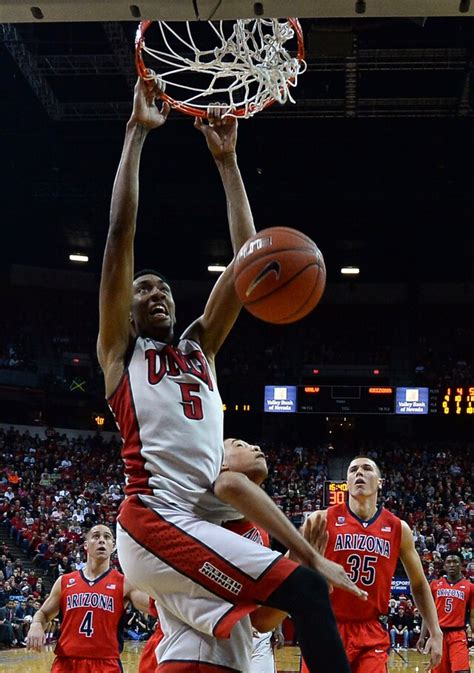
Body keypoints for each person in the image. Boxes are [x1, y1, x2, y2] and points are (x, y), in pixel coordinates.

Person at [98, 76, 366, 673]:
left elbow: (253, 262)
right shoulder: (122, 354)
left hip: (192, 518)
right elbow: (120, 235)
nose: (156, 292)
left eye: (164, 286)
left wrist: (229, 162)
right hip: (153, 517)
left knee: (234, 642)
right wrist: (136, 135)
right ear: (129, 309)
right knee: (303, 586)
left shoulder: (200, 350)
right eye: (143, 289)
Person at [138, 437, 286, 673]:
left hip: (234, 649)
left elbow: (260, 617)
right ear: (220, 464)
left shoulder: (261, 531)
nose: (256, 448)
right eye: (240, 445)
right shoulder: (194, 517)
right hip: (179, 651)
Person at [301, 456, 443, 673]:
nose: (359, 473)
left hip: (371, 631)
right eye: (353, 470)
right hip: (326, 625)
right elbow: (288, 567)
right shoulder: (321, 520)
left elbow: (419, 583)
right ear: (347, 482)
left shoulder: (398, 528)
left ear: (379, 482)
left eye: (367, 469)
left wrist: (435, 631)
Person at [26, 524, 150, 672]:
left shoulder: (125, 583)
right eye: (96, 536)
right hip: (67, 664)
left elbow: (156, 606)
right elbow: (44, 614)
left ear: (113, 546)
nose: (102, 540)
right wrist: (36, 625)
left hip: (106, 664)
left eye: (107, 537)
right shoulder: (64, 581)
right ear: (86, 545)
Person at [418, 551, 473, 673]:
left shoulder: (469, 587)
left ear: (462, 565)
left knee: (462, 671)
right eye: (448, 562)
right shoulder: (434, 585)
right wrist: (422, 637)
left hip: (458, 634)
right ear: (444, 566)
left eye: (455, 562)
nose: (452, 565)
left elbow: (473, 616)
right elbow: (427, 614)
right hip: (438, 634)